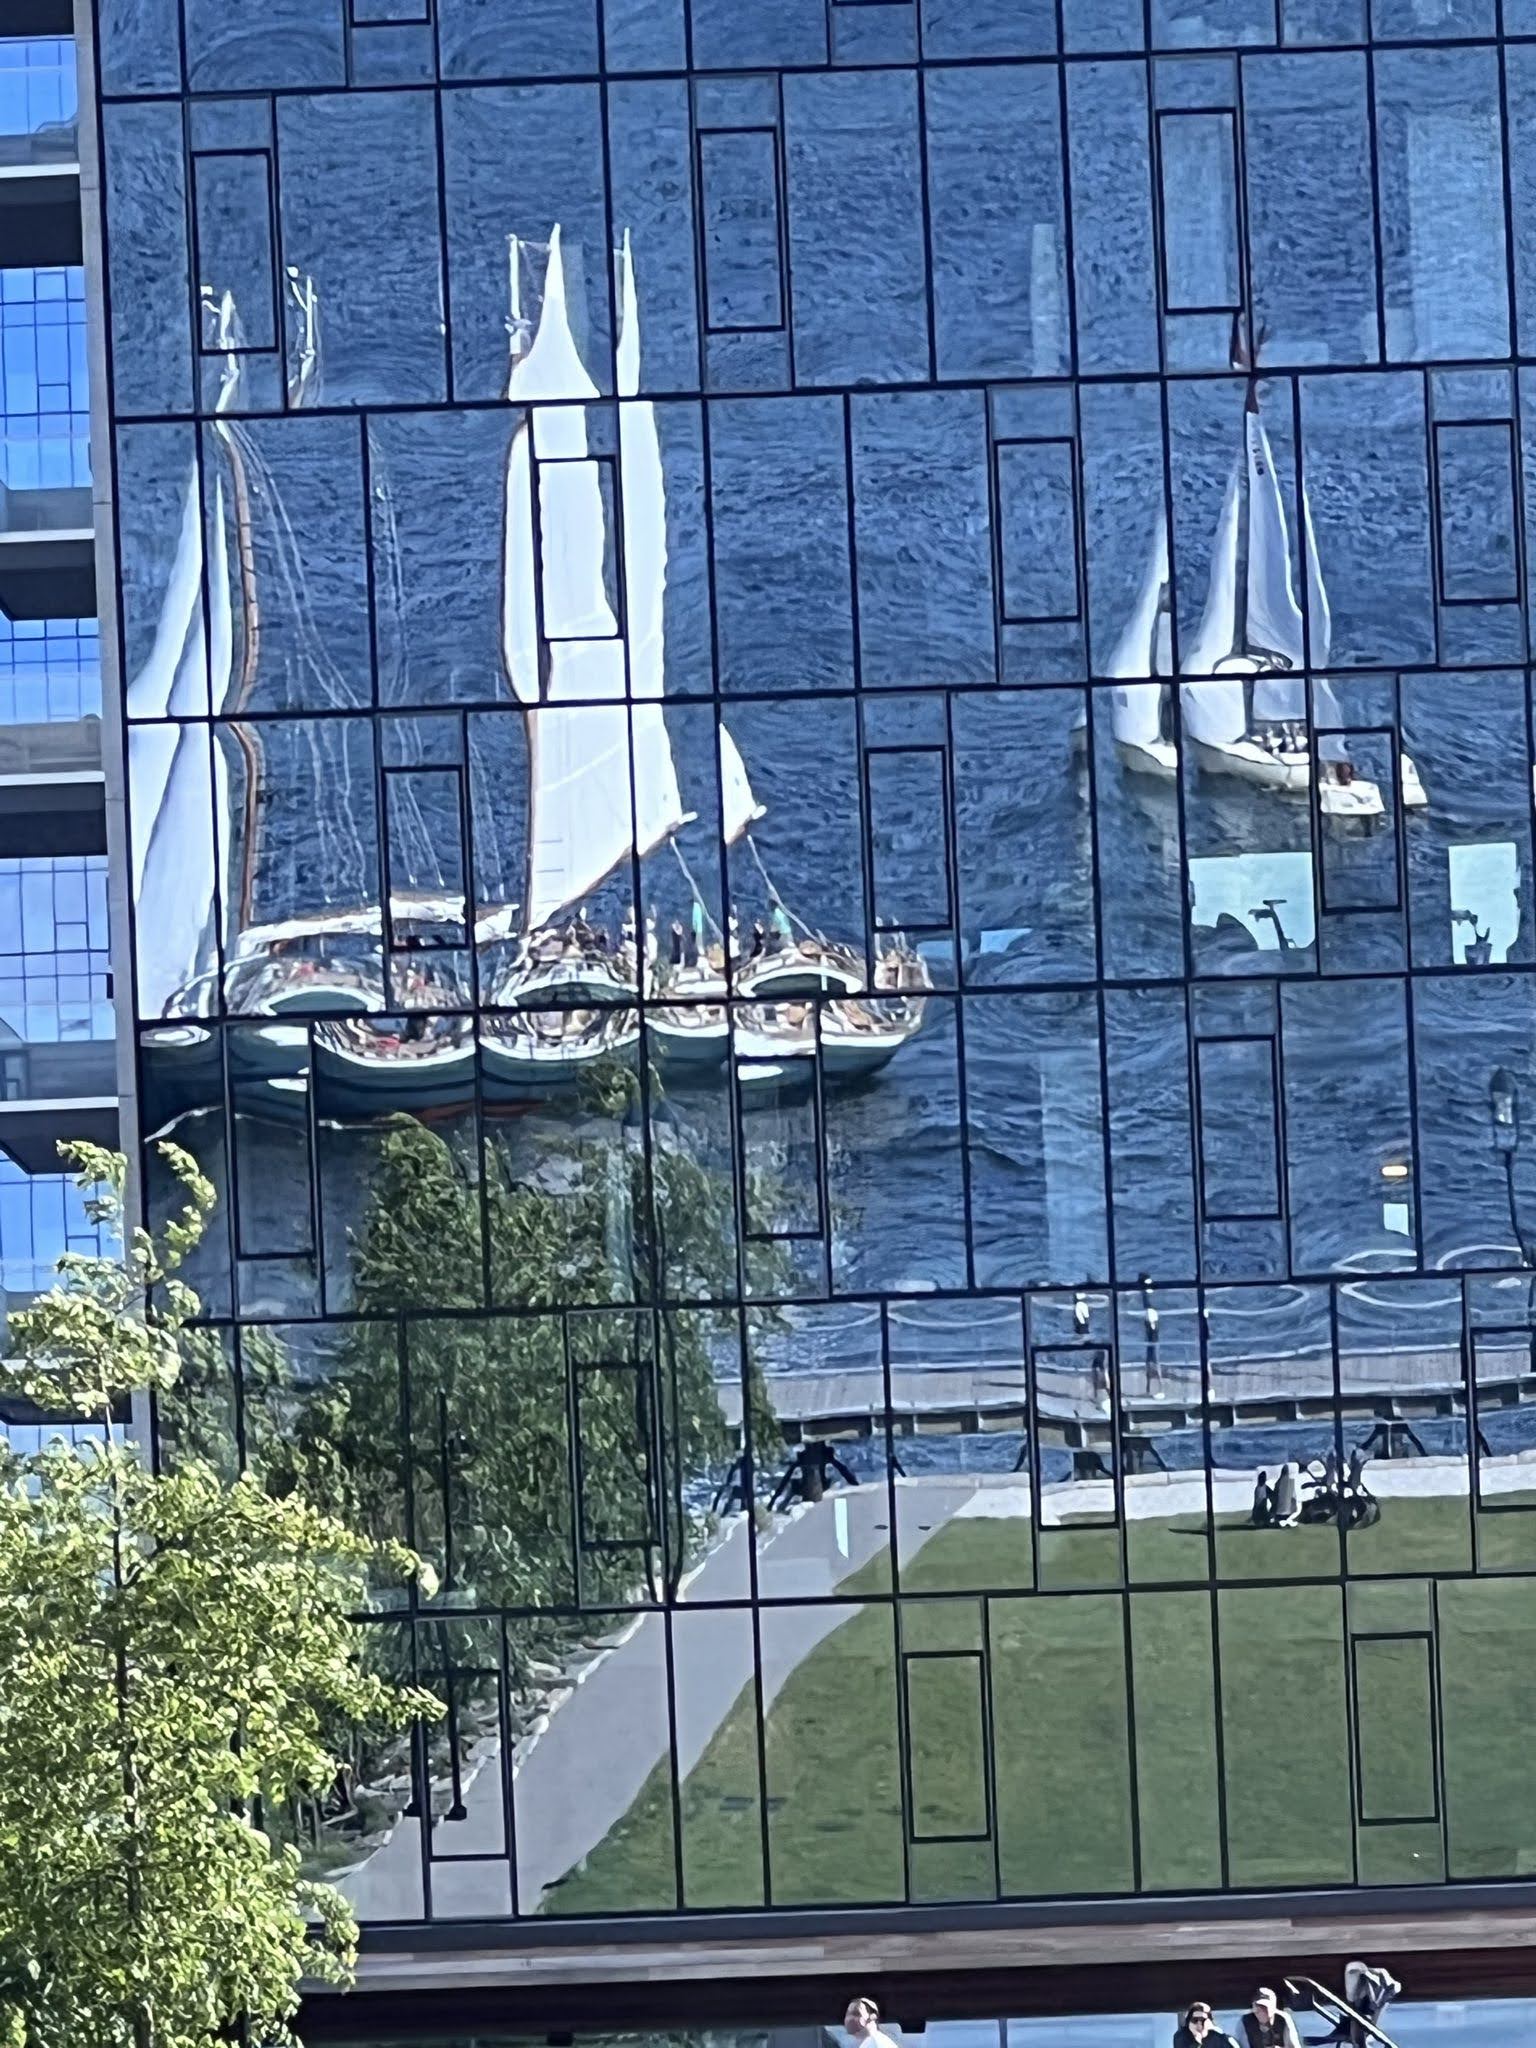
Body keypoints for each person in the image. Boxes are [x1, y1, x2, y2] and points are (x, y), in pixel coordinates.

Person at [1175, 2003, 1242, 2048]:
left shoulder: (1218, 2037)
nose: (1199, 2024)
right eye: (1195, 2020)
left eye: (1203, 2020)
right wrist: (1197, 2042)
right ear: (1189, 2022)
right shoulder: (1182, 2036)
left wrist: (1220, 2033)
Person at [1272, 1463, 1301, 1527]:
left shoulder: (1278, 1483)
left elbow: (1274, 1496)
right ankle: (1287, 1520)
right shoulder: (1291, 1482)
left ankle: (1281, 1521)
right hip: (1287, 1513)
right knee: (1296, 1503)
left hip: (1278, 1513)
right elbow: (1294, 1498)